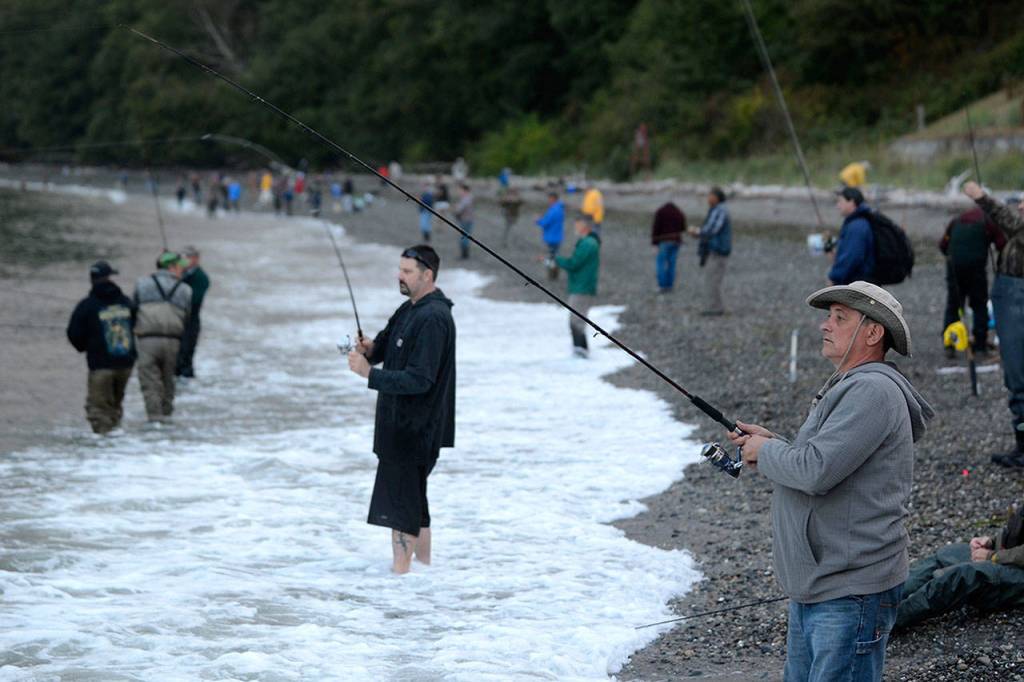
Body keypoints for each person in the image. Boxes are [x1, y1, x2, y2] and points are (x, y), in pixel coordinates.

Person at [726, 281, 933, 681]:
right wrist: (772, 444)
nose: (826, 325)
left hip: (850, 590)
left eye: (840, 318)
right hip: (824, 584)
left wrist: (766, 452)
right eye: (829, 316)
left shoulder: (872, 391)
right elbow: (824, 461)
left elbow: (815, 470)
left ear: (873, 333)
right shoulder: (852, 385)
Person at [347, 245, 456, 574]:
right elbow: (385, 348)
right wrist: (370, 350)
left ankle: (401, 577)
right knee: (415, 505)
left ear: (428, 275)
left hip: (415, 430)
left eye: (407, 271)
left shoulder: (434, 318)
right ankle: (423, 573)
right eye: (400, 269)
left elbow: (420, 380)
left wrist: (370, 374)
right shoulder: (409, 309)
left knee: (401, 508)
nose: (400, 276)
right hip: (402, 428)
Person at [964, 182, 1024, 466]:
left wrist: (982, 198)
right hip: (1010, 297)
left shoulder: (1020, 227)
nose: (1020, 206)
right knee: (1015, 377)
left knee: (1018, 376)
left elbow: (1013, 223)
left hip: (1016, 299)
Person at [895, 504, 1024, 630]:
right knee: (948, 554)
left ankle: (893, 619)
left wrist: (992, 556)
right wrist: (991, 542)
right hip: (1009, 559)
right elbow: (1015, 533)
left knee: (966, 574)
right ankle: (888, 598)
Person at [66, 261, 136, 434]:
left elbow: (73, 333)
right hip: (126, 364)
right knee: (115, 406)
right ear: (110, 278)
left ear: (92, 279)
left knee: (98, 410)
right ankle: (117, 439)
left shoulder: (86, 305)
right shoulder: (125, 302)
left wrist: (85, 347)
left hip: (100, 365)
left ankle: (105, 445)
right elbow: (135, 323)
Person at [133, 252, 192, 422]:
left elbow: (133, 310)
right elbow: (187, 317)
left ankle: (154, 420)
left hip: (147, 341)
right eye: (180, 267)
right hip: (173, 341)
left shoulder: (142, 284)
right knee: (168, 383)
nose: (182, 270)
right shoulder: (185, 289)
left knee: (149, 384)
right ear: (171, 267)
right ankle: (166, 418)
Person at [938, 206, 1005, 357]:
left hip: (954, 267)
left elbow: (943, 246)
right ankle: (980, 345)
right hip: (976, 269)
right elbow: (1001, 244)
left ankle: (950, 343)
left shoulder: (956, 221)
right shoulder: (988, 221)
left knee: (954, 305)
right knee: (979, 305)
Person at [555, 216, 601, 358]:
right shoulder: (588, 242)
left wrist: (556, 259)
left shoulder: (588, 243)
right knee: (576, 320)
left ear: (585, 226)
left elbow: (574, 263)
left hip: (582, 287)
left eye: (577, 225)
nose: (575, 227)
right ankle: (580, 351)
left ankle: (581, 352)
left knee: (576, 321)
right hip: (580, 286)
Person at [691, 187, 731, 315]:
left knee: (713, 279)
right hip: (715, 250)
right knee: (712, 278)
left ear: (717, 197)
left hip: (718, 250)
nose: (708, 198)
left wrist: (697, 231)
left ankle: (715, 308)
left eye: (710, 195)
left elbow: (712, 229)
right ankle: (714, 306)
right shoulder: (716, 210)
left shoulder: (720, 210)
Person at [175, 246, 211, 380]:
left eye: (187, 257)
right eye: (182, 258)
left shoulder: (201, 278)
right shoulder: (179, 273)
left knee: (185, 357)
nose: (184, 261)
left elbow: (192, 299)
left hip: (190, 322)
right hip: (176, 320)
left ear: (196, 259)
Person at [829, 187, 875, 285]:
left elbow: (851, 257)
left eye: (840, 201)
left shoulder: (857, 226)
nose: (837, 206)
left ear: (851, 202)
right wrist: (831, 247)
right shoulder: (857, 222)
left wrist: (834, 278)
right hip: (859, 282)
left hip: (858, 285)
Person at [651, 201, 686, 293]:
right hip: (676, 241)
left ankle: (662, 285)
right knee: (672, 264)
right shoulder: (679, 212)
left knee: (661, 263)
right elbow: (683, 228)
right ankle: (670, 285)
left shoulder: (660, 212)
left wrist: (654, 243)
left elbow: (655, 228)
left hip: (663, 240)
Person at [536, 191, 565, 263]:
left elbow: (546, 223)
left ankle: (552, 267)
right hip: (557, 236)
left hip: (552, 237)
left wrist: (538, 220)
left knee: (552, 258)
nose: (548, 200)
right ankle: (553, 265)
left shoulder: (554, 210)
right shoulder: (560, 208)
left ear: (553, 199)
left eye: (549, 199)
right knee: (554, 256)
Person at [454, 183, 474, 259]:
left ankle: (464, 254)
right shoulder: (468, 198)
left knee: (464, 237)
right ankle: (465, 254)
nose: (459, 192)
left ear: (465, 190)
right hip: (467, 219)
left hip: (466, 220)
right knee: (465, 237)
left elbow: (459, 209)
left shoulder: (466, 198)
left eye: (460, 190)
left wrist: (456, 208)